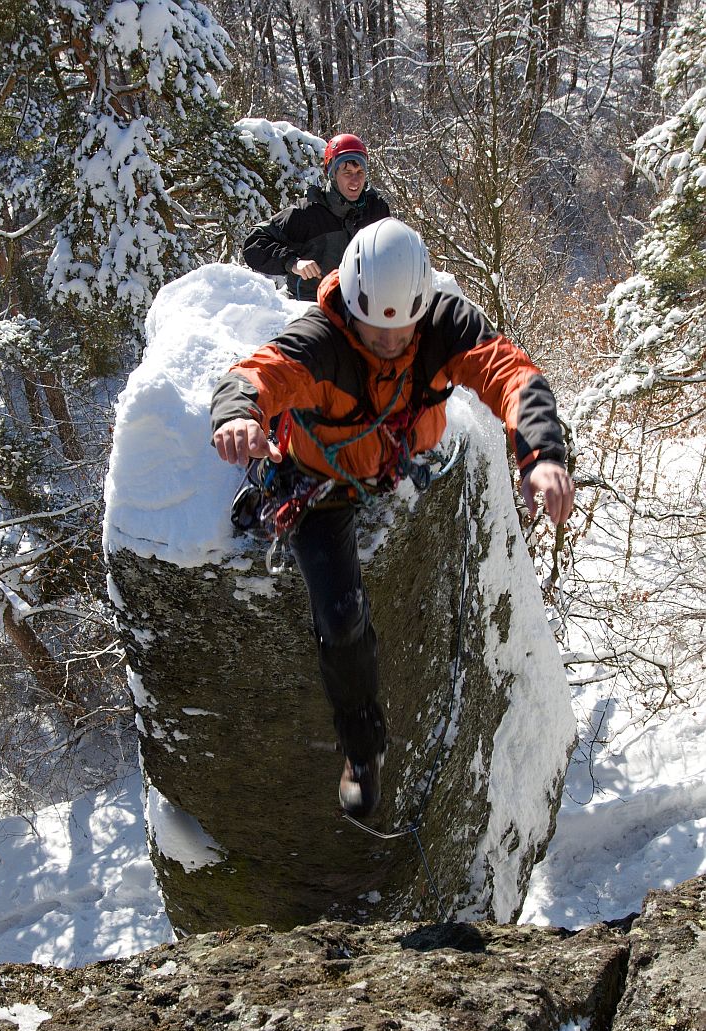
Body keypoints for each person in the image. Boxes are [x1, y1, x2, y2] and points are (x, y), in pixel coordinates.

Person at [212, 218, 575, 820]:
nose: (390, 341)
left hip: (393, 456)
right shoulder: (320, 338)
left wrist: (540, 454)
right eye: (374, 330)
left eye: (401, 329)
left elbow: (514, 376)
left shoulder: (444, 324)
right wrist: (239, 415)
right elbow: (256, 375)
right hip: (319, 485)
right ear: (349, 308)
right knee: (341, 615)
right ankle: (362, 747)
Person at [242, 133, 390, 301]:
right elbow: (253, 243)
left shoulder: (376, 211)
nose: (355, 181)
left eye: (360, 172)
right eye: (347, 173)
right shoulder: (306, 213)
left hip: (364, 309)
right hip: (311, 309)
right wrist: (293, 263)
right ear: (332, 174)